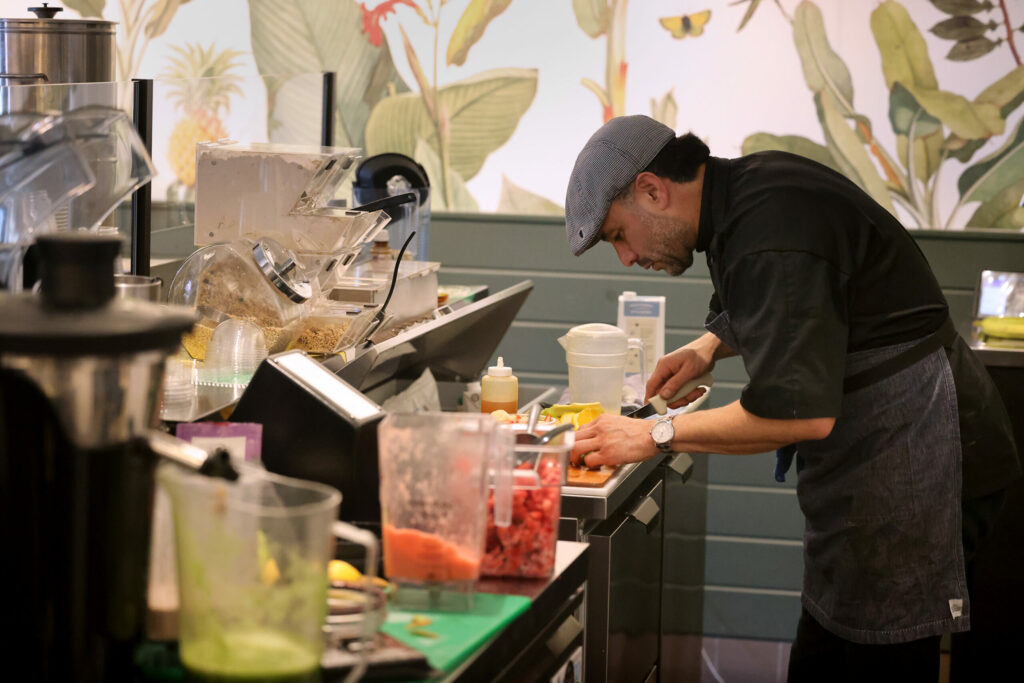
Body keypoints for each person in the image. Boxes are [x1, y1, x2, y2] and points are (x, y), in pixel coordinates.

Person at [563, 115, 1020, 681]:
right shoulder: (748, 193)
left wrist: (652, 434)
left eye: (617, 235)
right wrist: (710, 345)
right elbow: (802, 295)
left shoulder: (767, 233)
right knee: (827, 646)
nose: (626, 258)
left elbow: (793, 413)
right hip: (870, 456)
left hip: (921, 447)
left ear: (652, 191)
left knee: (884, 656)